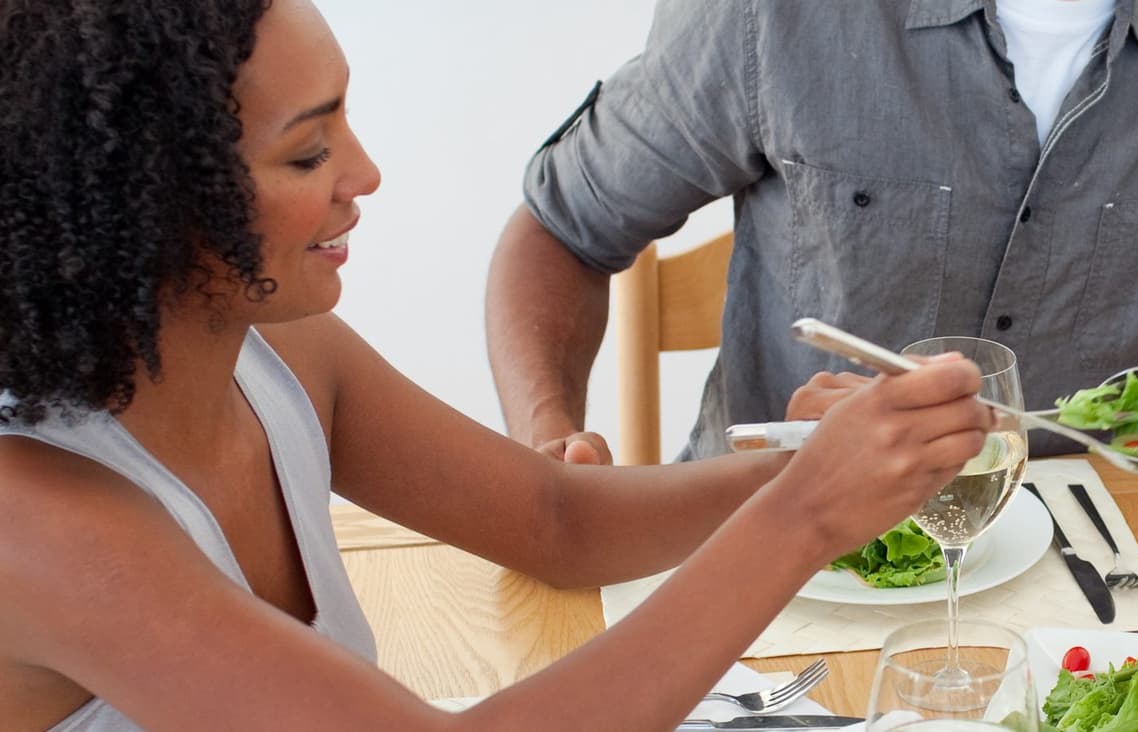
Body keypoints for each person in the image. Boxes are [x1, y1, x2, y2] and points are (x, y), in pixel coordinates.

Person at [0, 1, 993, 728]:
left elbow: (553, 521)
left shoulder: (280, 354)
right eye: (308, 154)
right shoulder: (37, 523)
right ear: (148, 207)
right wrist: (805, 513)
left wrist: (801, 466)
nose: (365, 174)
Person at [484, 0, 1138, 591]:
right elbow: (560, 232)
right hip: (775, 554)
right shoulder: (776, 16)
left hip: (1103, 570)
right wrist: (545, 434)